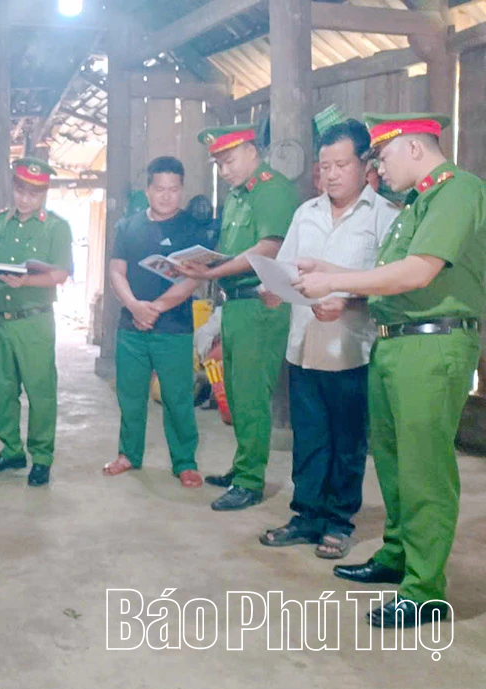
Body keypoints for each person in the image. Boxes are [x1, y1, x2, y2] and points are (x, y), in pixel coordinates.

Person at [295, 113, 485, 629]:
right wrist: (330, 273)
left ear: (415, 149)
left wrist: (338, 280)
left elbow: (418, 271)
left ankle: (425, 591)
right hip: (395, 345)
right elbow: (386, 276)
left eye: (383, 155)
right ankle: (398, 556)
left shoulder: (457, 191)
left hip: (433, 345)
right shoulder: (416, 206)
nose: (378, 164)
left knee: (425, 471)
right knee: (396, 466)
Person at [258, 120, 398, 558]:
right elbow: (284, 267)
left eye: (341, 164)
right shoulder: (306, 213)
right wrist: (273, 289)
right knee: (310, 437)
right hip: (303, 346)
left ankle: (339, 521)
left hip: (352, 350)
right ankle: (306, 516)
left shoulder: (385, 218)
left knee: (347, 442)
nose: (331, 174)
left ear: (364, 163)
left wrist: (349, 303)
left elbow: (391, 286)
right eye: (324, 166)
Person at [174, 124, 298, 511]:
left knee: (251, 395)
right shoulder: (238, 197)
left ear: (250, 150)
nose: (223, 171)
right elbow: (232, 251)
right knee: (237, 393)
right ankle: (242, 466)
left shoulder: (272, 189)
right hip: (236, 305)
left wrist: (211, 272)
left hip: (261, 304)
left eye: (227, 161)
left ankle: (250, 480)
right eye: (218, 165)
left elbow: (269, 247)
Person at [103, 157, 205, 487]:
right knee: (130, 395)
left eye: (173, 190)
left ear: (181, 190)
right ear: (147, 190)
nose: (166, 196)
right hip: (131, 328)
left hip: (173, 328)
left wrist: (155, 309)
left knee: (178, 398)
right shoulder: (127, 227)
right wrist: (134, 306)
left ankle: (185, 461)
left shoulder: (192, 228)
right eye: (159, 189)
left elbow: (193, 280)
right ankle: (128, 454)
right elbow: (116, 272)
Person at [0, 158, 73, 487]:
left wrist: (27, 282)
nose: (25, 198)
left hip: (35, 321)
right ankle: (11, 450)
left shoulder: (56, 227)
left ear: (44, 193)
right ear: (13, 187)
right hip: (0, 321)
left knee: (40, 390)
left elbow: (60, 273)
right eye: (20, 190)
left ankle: (42, 457)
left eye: (34, 193)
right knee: (3, 390)